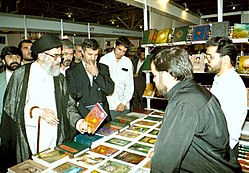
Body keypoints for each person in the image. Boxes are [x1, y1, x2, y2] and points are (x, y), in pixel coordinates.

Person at [0, 33, 91, 172]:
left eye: (60, 55)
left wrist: (79, 122)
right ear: (41, 56)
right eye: (55, 56)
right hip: (30, 133)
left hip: (54, 134)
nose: (59, 60)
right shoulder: (21, 74)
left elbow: (69, 105)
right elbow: (10, 105)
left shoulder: (59, 77)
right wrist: (38, 112)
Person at [150, 47, 242, 173]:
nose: (154, 80)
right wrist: (161, 149)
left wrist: (161, 156)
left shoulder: (183, 103)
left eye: (154, 75)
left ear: (166, 75)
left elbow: (164, 165)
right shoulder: (196, 89)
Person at [206, 37, 247, 155]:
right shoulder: (220, 79)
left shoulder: (232, 85)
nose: (206, 60)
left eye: (211, 57)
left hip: (223, 149)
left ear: (225, 60)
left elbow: (228, 129)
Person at [66, 39, 114, 122]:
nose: (93, 58)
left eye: (96, 55)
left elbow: (110, 89)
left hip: (103, 116)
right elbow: (74, 98)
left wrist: (96, 74)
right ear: (82, 53)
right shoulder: (72, 72)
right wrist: (90, 118)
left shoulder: (103, 68)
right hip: (83, 117)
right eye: (90, 54)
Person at [99, 36, 134, 119]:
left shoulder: (127, 62)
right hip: (110, 105)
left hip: (124, 105)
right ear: (115, 45)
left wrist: (124, 103)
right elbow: (103, 84)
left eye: (124, 51)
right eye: (119, 49)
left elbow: (130, 84)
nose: (120, 53)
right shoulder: (104, 60)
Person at [0, 46, 22, 128]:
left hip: (23, 126)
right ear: (3, 61)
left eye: (17, 57)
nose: (14, 60)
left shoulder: (30, 78)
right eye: (10, 57)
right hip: (3, 125)